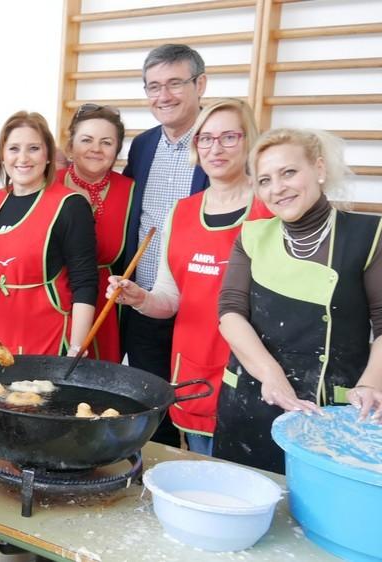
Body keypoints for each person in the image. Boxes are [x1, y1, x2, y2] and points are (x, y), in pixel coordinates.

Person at [215, 128, 382, 473]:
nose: (277, 188)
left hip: (331, 416)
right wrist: (271, 375)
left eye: (289, 172)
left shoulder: (367, 235)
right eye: (265, 180)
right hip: (251, 404)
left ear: (318, 169)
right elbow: (230, 313)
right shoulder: (252, 236)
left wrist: (369, 384)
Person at [107, 99, 270, 456]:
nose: (216, 148)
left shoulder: (269, 210)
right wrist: (140, 298)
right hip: (198, 369)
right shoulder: (181, 213)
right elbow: (170, 299)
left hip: (258, 372)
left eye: (229, 137)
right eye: (206, 138)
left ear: (249, 141)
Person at [121, 43, 210, 447]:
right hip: (145, 300)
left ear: (200, 85)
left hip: (200, 309)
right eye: (153, 86)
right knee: (151, 409)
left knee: (199, 408)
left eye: (175, 83)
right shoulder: (142, 146)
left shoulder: (217, 143)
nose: (164, 96)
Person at [0, 111, 97, 358]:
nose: (23, 158)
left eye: (33, 148)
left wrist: (77, 348)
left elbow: (85, 283)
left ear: (48, 155)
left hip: (45, 339)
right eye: (13, 149)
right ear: (2, 156)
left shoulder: (70, 206)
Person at [59, 104, 133, 362]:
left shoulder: (131, 191)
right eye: (86, 140)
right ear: (71, 146)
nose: (96, 149)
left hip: (105, 305)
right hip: (54, 299)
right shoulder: (49, 183)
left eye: (106, 142)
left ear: (117, 150)